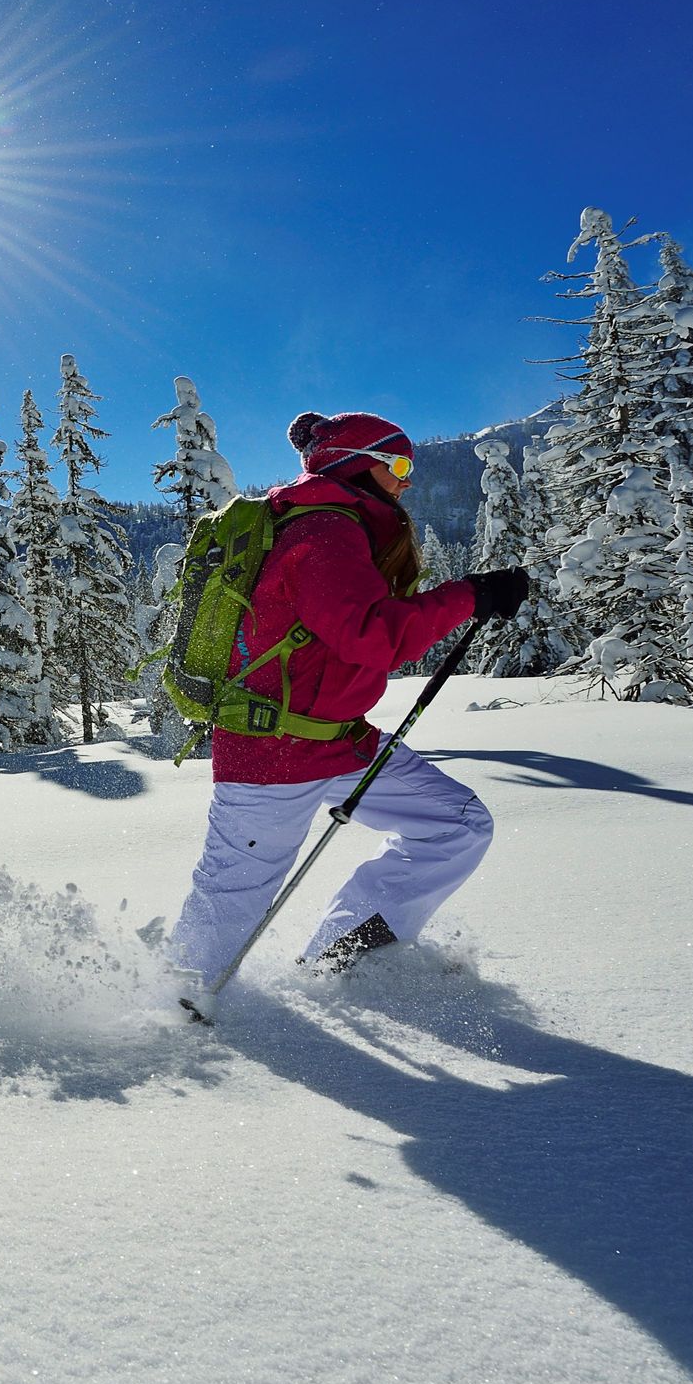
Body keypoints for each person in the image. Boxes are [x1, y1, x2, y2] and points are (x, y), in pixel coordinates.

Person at [167, 410, 530, 991]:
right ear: (362, 465)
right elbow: (372, 635)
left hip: (339, 743)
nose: (408, 481)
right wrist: (469, 595)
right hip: (273, 755)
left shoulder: (338, 525)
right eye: (401, 465)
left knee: (455, 825)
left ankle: (343, 957)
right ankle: (172, 1009)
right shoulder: (323, 532)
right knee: (233, 895)